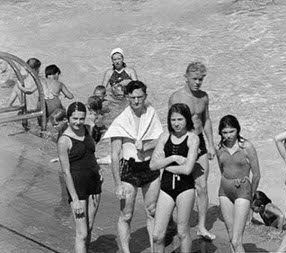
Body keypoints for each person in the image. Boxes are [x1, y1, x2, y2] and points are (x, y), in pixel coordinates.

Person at [103, 80, 164, 253]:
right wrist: (117, 184)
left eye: (140, 97)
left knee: (151, 211)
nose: (137, 101)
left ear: (145, 96)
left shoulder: (151, 114)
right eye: (133, 98)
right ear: (128, 98)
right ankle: (126, 251)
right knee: (126, 214)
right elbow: (115, 154)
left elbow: (161, 138)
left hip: (149, 167)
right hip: (129, 169)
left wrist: (146, 146)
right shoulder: (121, 120)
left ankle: (154, 250)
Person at [168, 62, 216, 241]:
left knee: (202, 186)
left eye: (201, 79)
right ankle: (173, 221)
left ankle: (202, 226)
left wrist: (211, 144)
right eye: (194, 79)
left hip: (200, 142)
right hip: (183, 143)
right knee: (178, 185)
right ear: (185, 78)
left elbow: (206, 120)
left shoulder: (204, 97)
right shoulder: (177, 98)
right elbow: (173, 124)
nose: (198, 82)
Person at [150, 103, 200, 253]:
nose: (176, 124)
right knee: (157, 235)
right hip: (166, 188)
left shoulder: (193, 138)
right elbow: (152, 165)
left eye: (180, 119)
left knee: (182, 232)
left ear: (187, 120)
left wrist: (164, 165)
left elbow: (187, 169)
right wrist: (174, 157)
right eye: (173, 120)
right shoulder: (164, 137)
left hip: (185, 188)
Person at [57, 102, 103, 253]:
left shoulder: (87, 130)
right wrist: (75, 199)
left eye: (81, 118)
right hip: (78, 187)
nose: (78, 122)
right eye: (74, 118)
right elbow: (66, 172)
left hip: (94, 183)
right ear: (68, 118)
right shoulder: (64, 140)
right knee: (81, 233)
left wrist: (99, 169)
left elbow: (91, 154)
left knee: (89, 228)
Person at [216, 115, 260, 253]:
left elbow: (257, 174)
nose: (228, 136)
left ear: (238, 130)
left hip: (243, 190)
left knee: (236, 240)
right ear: (220, 133)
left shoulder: (246, 147)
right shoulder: (219, 148)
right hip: (224, 190)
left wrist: (252, 195)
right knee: (230, 235)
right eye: (225, 132)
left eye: (231, 131)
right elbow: (222, 170)